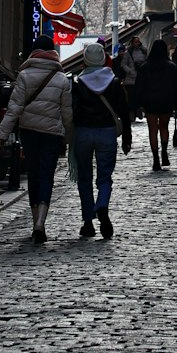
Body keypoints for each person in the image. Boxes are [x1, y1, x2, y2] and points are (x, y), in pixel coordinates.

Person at [0, 41, 72, 243]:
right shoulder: (62, 79)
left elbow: (15, 108)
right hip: (52, 134)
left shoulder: (24, 76)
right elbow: (66, 113)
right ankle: (41, 222)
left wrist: (2, 134)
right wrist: (69, 137)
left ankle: (34, 221)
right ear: (53, 53)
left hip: (29, 132)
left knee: (34, 175)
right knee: (47, 176)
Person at [72, 42, 132, 238]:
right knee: (105, 177)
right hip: (106, 132)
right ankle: (102, 204)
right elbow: (124, 111)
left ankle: (88, 222)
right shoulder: (113, 82)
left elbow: (72, 111)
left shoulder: (78, 83)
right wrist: (127, 137)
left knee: (84, 177)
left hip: (83, 132)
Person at [132, 38, 177, 169]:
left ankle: (155, 158)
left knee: (153, 130)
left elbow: (139, 87)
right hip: (166, 101)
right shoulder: (172, 67)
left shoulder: (145, 67)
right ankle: (164, 152)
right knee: (164, 127)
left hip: (150, 102)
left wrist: (137, 103)